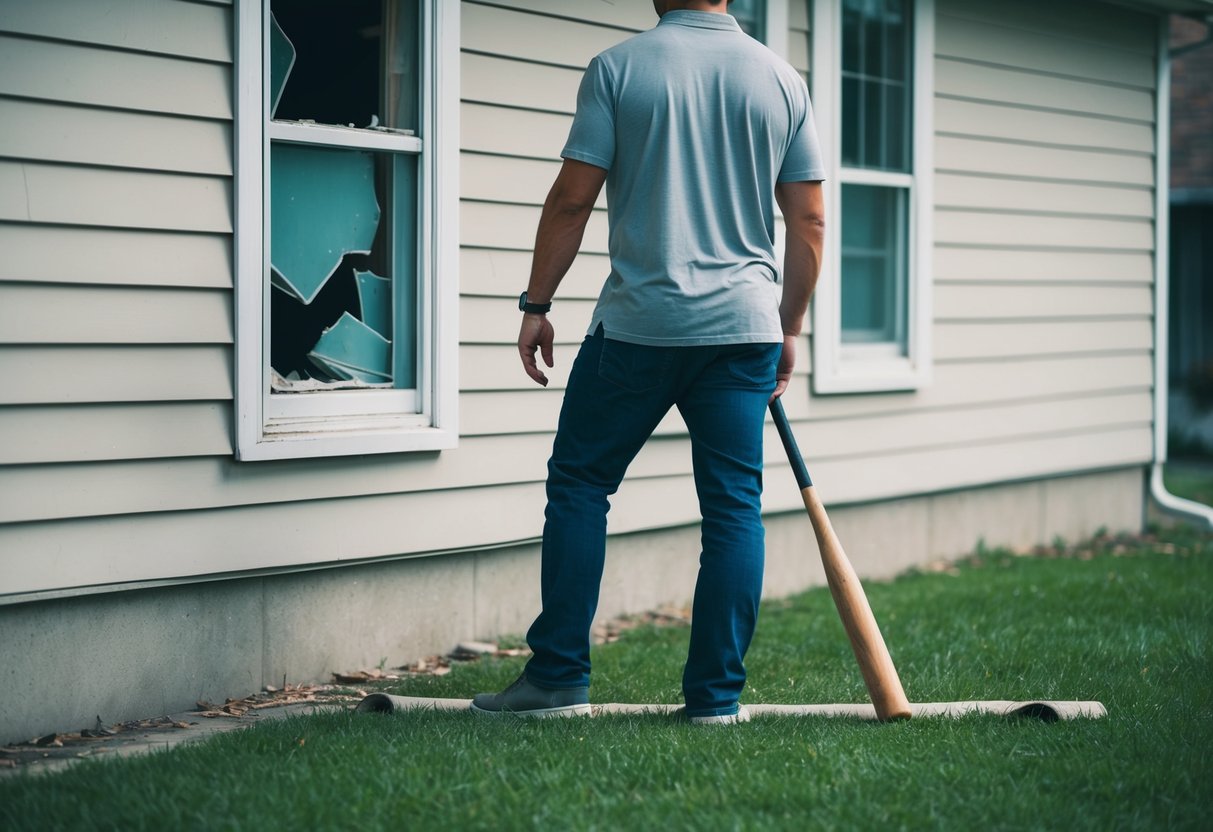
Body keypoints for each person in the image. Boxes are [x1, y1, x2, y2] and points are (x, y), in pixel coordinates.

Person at [472, 0, 826, 724]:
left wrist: (535, 303)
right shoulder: (779, 78)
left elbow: (572, 200)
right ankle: (714, 701)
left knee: (579, 486)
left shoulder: (618, 68)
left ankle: (558, 679)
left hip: (637, 327)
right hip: (741, 329)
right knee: (733, 511)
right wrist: (788, 324)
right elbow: (809, 219)